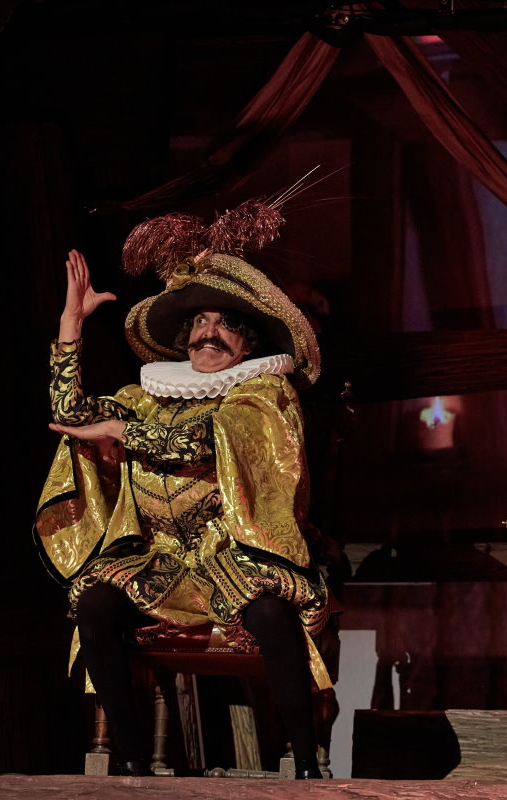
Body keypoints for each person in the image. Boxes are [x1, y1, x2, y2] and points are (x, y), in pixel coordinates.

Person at [34, 208, 329, 778]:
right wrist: (71, 327)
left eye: (226, 324)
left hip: (234, 558)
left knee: (272, 615)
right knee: (94, 604)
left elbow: (196, 444)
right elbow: (70, 416)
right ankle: (133, 763)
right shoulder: (146, 396)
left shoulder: (264, 397)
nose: (208, 332)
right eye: (199, 321)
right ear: (182, 336)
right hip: (162, 562)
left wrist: (121, 433)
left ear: (248, 343)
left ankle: (306, 767)